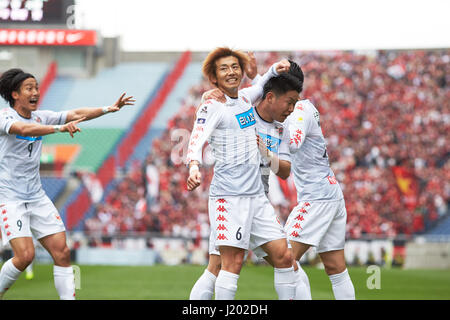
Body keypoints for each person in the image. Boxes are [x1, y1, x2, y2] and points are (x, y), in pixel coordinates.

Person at [0, 68, 135, 300]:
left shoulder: (40, 116)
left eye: (36, 87)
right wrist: (58, 129)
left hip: (37, 197)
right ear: (15, 94)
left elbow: (74, 113)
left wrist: (107, 109)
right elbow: (23, 129)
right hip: (10, 199)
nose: (36, 92)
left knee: (62, 252)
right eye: (29, 88)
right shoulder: (6, 117)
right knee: (24, 256)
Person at [190, 57, 311, 300]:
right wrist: (193, 164)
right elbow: (197, 135)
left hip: (257, 198)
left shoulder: (247, 100)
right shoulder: (216, 105)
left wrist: (274, 68)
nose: (232, 72)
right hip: (230, 198)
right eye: (224, 69)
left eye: (235, 67)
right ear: (214, 78)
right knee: (225, 265)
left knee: (286, 258)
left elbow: (262, 84)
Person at [283, 95, 356, 299]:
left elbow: (294, 142)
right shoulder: (305, 107)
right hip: (329, 192)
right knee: (335, 267)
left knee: (284, 257)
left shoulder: (298, 112)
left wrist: (266, 139)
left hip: (318, 198)